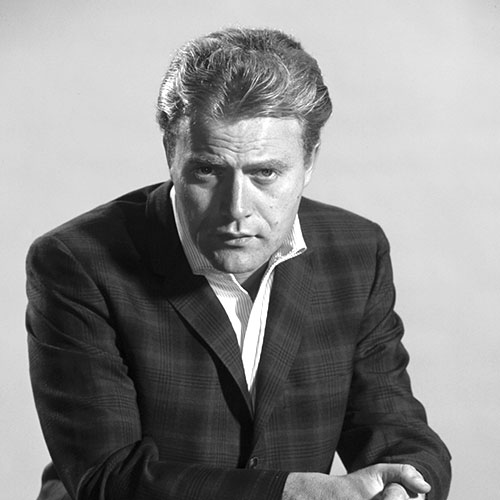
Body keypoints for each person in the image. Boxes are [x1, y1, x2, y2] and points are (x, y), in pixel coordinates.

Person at [26, 27, 451, 500]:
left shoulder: (357, 251)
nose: (236, 209)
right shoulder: (77, 262)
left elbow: (395, 430)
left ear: (309, 161)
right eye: (207, 170)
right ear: (171, 154)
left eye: (265, 173)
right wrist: (293, 493)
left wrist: (404, 486)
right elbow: (109, 480)